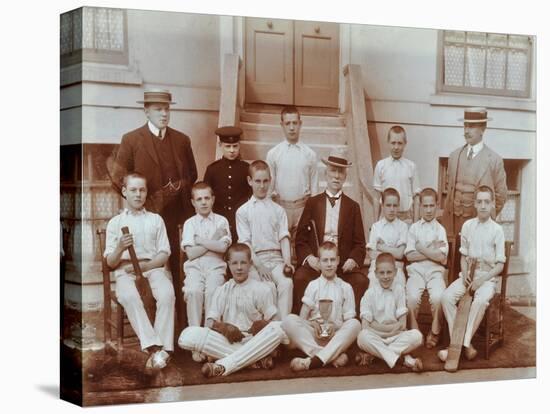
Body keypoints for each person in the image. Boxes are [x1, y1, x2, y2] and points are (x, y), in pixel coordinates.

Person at [111, 89, 197, 331]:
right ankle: (150, 328)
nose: (164, 113)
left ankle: (181, 328)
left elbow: (193, 174)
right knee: (148, 273)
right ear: (146, 110)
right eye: (159, 109)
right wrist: (141, 202)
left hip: (177, 218)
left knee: (179, 270)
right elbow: (118, 178)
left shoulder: (182, 140)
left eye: (167, 108)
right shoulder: (132, 139)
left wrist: (179, 186)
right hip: (145, 219)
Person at [178, 243, 287, 377]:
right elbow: (209, 323)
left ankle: (223, 365)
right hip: (228, 342)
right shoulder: (222, 290)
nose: (239, 268)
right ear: (228, 264)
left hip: (254, 340)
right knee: (188, 336)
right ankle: (255, 361)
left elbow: (276, 321)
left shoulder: (262, 289)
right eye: (234, 263)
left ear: (250, 264)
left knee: (278, 329)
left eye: (243, 263)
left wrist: (263, 325)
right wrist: (223, 327)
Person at [104, 173, 175, 372]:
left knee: (167, 293)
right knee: (128, 295)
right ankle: (154, 347)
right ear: (124, 192)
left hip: (152, 267)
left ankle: (162, 349)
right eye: (133, 190)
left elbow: (164, 254)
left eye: (142, 190)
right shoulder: (115, 223)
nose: (138, 194)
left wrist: (145, 267)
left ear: (146, 193)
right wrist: (119, 248)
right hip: (125, 270)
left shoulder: (156, 220)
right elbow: (110, 262)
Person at [293, 149, 368, 314]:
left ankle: (349, 326)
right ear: (326, 173)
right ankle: (304, 323)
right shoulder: (312, 203)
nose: (336, 176)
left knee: (361, 281)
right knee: (299, 278)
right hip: (318, 265)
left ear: (345, 176)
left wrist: (353, 260)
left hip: (341, 267)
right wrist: (309, 258)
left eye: (341, 172)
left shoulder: (353, 207)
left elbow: (360, 244)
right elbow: (300, 240)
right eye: (333, 170)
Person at [439, 186, 506, 364]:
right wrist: (464, 277)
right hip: (467, 275)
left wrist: (481, 280)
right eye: (479, 202)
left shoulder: (497, 230)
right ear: (475, 204)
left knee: (480, 301)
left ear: (492, 204)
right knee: (446, 297)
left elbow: (500, 265)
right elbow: (463, 256)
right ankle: (461, 344)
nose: (483, 206)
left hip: (486, 279)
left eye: (487, 202)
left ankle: (462, 344)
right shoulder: (467, 226)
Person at [282, 241, 361, 371]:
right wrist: (313, 324)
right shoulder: (313, 285)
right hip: (313, 337)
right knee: (289, 320)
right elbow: (302, 319)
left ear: (338, 261)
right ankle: (327, 357)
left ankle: (311, 361)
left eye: (332, 260)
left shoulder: (345, 287)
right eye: (325, 260)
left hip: (335, 337)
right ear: (319, 262)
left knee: (355, 324)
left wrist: (334, 327)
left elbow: (348, 321)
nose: (329, 264)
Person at [236, 160, 294, 319]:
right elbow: (245, 243)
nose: (262, 186)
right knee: (265, 287)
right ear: (250, 181)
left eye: (266, 181)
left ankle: (282, 327)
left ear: (270, 180)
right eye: (257, 181)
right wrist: (260, 266)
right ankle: (265, 328)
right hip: (255, 261)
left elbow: (284, 237)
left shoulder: (278, 210)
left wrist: (287, 262)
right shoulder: (243, 212)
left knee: (286, 283)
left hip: (276, 259)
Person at [181, 182, 231, 362]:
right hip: (194, 268)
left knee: (213, 292)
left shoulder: (222, 221)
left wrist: (201, 240)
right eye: (199, 199)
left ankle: (209, 342)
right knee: (193, 291)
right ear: (193, 202)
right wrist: (213, 241)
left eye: (207, 198)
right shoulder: (189, 224)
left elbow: (223, 249)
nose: (203, 202)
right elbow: (191, 253)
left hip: (216, 266)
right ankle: (195, 342)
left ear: (213, 199)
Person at [443, 107, 507, 237]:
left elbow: (501, 196)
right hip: (453, 224)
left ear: (483, 129)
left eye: (471, 126)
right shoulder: (454, 156)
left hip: (479, 225)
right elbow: (449, 191)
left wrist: (485, 216)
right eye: (465, 126)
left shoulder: (494, 160)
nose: (466, 131)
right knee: (454, 257)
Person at [356, 253, 423, 372]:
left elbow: (402, 325)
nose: (386, 276)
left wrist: (377, 326)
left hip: (395, 337)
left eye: (389, 272)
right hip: (377, 336)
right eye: (382, 273)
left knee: (417, 336)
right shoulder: (370, 294)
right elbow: (365, 327)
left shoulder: (399, 290)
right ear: (376, 274)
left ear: (395, 272)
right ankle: (404, 360)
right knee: (362, 337)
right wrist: (389, 331)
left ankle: (376, 356)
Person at [266, 106, 318, 253]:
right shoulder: (274, 154)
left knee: (301, 247)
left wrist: (312, 211)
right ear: (282, 125)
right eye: (288, 123)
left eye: (295, 123)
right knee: (282, 248)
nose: (292, 127)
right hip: (281, 206)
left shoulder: (310, 154)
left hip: (302, 206)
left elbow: (314, 187)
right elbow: (270, 186)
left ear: (300, 124)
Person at [405, 188, 449, 349]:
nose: (429, 210)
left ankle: (435, 331)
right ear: (421, 206)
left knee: (438, 297)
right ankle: (414, 331)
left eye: (432, 206)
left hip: (435, 272)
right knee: (411, 298)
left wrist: (421, 248)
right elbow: (409, 256)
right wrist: (432, 249)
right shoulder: (414, 228)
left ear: (437, 206)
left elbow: (442, 258)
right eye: (425, 206)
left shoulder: (440, 230)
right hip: (416, 271)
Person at [203, 126, 251, 242]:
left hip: (240, 219)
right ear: (220, 145)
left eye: (235, 146)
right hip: (218, 218)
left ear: (239, 145)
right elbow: (206, 194)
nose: (232, 150)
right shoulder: (212, 169)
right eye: (227, 146)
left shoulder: (246, 169)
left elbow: (250, 195)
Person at [373, 126, 421, 224]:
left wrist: (415, 225)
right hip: (385, 219)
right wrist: (375, 224)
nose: (396, 147)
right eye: (393, 143)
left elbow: (416, 199)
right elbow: (376, 197)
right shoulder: (381, 165)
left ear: (405, 144)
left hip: (405, 219)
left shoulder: (411, 166)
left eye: (400, 143)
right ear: (388, 142)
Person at [366, 187, 408, 288]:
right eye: (388, 205)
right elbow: (372, 254)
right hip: (377, 267)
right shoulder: (376, 226)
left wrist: (381, 247)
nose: (392, 209)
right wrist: (393, 250)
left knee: (399, 284)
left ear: (398, 206)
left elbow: (400, 254)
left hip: (396, 268)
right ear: (382, 206)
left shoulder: (403, 227)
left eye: (395, 206)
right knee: (372, 281)